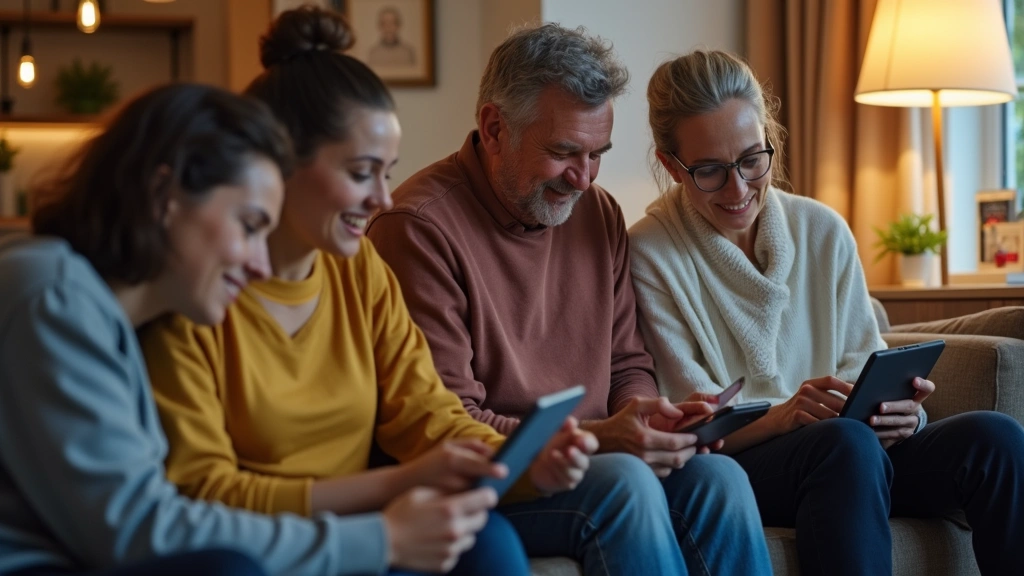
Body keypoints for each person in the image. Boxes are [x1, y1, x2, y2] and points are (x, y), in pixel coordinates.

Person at [138, 8, 594, 576]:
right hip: (259, 544)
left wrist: (523, 460)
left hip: (371, 522)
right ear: (277, 165)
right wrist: (395, 489)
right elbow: (202, 492)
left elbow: (426, 413)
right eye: (361, 173)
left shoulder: (360, 273)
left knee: (489, 542)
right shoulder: (197, 294)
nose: (383, 198)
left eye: (388, 172)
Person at [0, 82, 456, 576]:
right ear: (163, 196)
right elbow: (142, 531)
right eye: (250, 224)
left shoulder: (104, 314)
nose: (260, 264)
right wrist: (380, 539)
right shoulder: (54, 296)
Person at [367, 23, 771, 575]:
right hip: (492, 473)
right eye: (563, 153)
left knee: (719, 478)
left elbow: (626, 362)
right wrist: (601, 439)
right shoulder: (417, 228)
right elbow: (447, 424)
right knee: (624, 483)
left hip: (591, 456)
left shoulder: (597, 213)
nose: (583, 179)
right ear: (493, 127)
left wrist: (645, 418)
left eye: (597, 154)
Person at [629, 49, 1024, 576]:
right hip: (745, 463)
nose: (739, 189)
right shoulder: (649, 253)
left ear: (768, 137)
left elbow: (864, 359)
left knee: (995, 440)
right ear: (670, 165)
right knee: (844, 443)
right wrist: (781, 415)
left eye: (751, 159)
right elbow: (689, 421)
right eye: (709, 172)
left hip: (850, 449)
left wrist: (901, 412)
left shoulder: (822, 230)